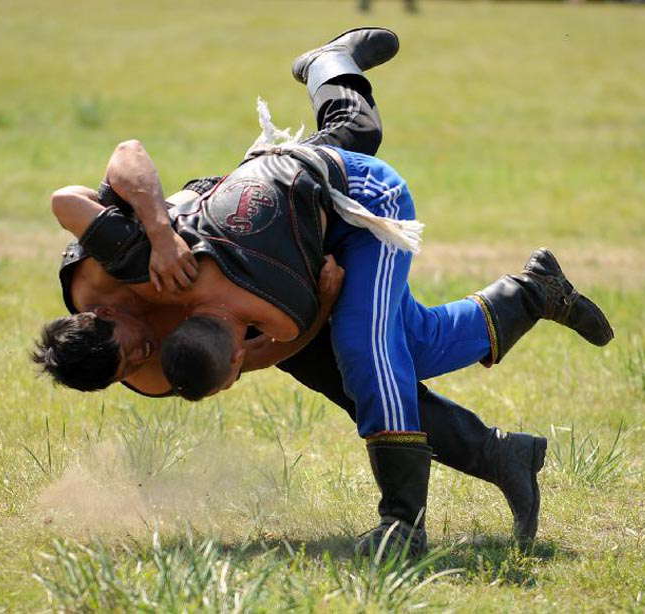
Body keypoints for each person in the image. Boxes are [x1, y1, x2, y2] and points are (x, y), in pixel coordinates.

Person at [34, 28, 614, 555]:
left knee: (369, 343)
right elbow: (256, 354)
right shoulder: (163, 368)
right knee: (391, 350)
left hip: (288, 220)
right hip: (282, 283)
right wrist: (317, 312)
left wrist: (160, 235)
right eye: (128, 370)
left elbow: (107, 169)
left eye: (133, 348)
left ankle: (405, 522)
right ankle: (528, 321)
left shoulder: (109, 266)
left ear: (106, 313)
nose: (143, 357)